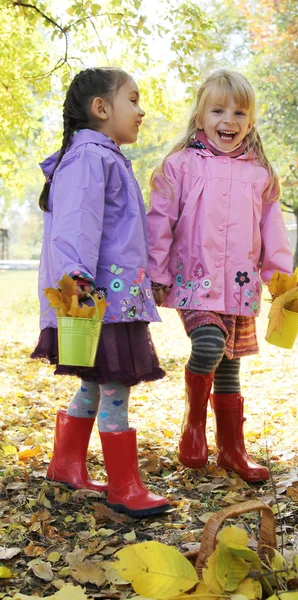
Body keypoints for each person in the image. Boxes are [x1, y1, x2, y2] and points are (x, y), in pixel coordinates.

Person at [31, 67, 169, 517]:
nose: (141, 109)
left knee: (95, 382)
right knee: (114, 387)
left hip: (114, 295)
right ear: (102, 108)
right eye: (133, 98)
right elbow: (77, 223)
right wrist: (78, 279)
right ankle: (124, 486)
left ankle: (66, 463)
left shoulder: (103, 155)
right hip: (100, 299)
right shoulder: (92, 157)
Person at [146, 69, 293, 483]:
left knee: (230, 365)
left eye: (239, 112)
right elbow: (160, 221)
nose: (228, 119)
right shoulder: (179, 166)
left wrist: (281, 280)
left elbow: (272, 230)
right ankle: (193, 425)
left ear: (250, 121)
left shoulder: (260, 174)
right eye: (218, 110)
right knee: (210, 344)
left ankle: (232, 449)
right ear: (200, 117)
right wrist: (156, 270)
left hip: (241, 284)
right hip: (195, 281)